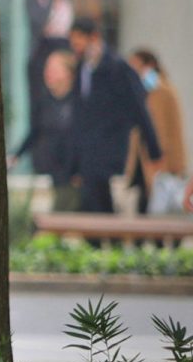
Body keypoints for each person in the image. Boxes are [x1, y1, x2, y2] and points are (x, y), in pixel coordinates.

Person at [66, 17, 160, 215]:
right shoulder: (82, 70)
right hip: (88, 157)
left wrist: (153, 150)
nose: (76, 47)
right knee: (92, 215)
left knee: (114, 213)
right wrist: (74, 163)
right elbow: (78, 118)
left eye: (79, 40)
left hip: (113, 156)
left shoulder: (119, 68)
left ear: (94, 37)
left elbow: (139, 109)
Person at [11, 49, 81, 211]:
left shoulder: (80, 102)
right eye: (47, 69)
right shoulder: (44, 102)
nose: (48, 73)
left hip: (73, 177)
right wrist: (16, 155)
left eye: (54, 70)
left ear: (69, 74)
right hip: (50, 172)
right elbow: (35, 132)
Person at [125, 50, 187, 214]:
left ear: (149, 65)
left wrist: (161, 161)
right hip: (143, 161)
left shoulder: (161, 91)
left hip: (160, 163)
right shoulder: (140, 92)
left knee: (161, 208)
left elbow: (161, 132)